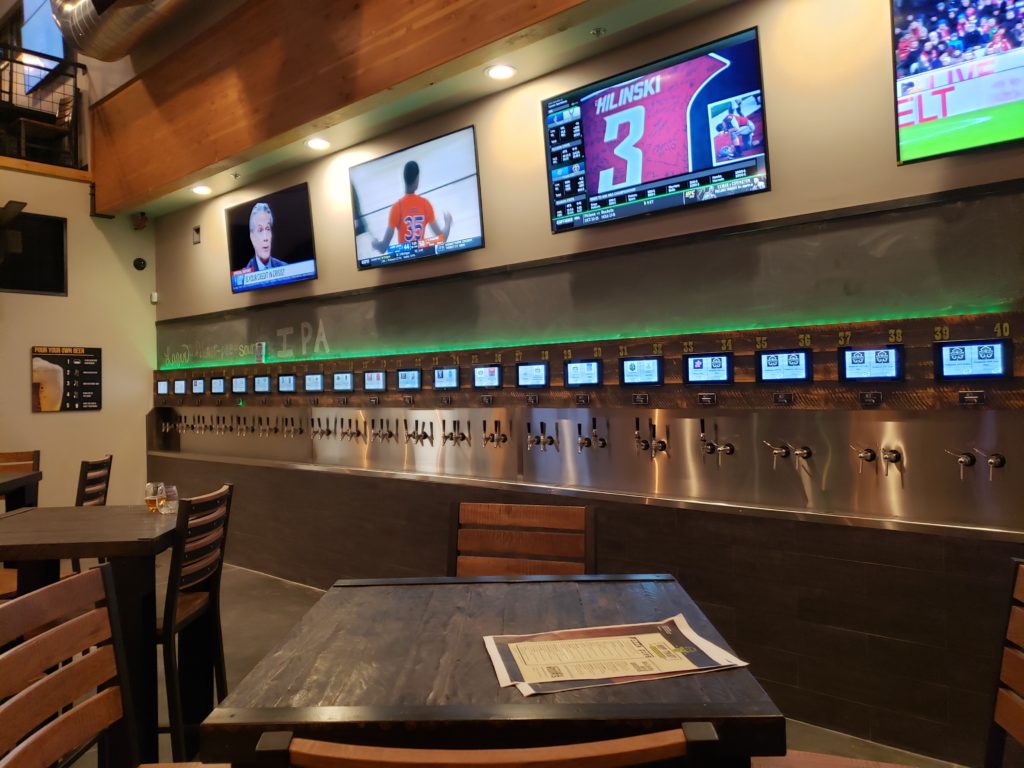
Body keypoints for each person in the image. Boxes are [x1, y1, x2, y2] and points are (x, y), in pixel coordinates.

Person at [372, 160, 452, 253]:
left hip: (405, 263)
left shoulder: (396, 207)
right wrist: (448, 222)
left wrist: (375, 244)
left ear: (404, 179)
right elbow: (442, 239)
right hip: (423, 258)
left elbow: (383, 248)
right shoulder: (425, 204)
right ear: (417, 179)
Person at [245, 202, 287, 271]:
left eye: (268, 229)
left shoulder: (285, 268)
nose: (265, 238)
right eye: (260, 230)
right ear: (252, 237)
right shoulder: (245, 276)